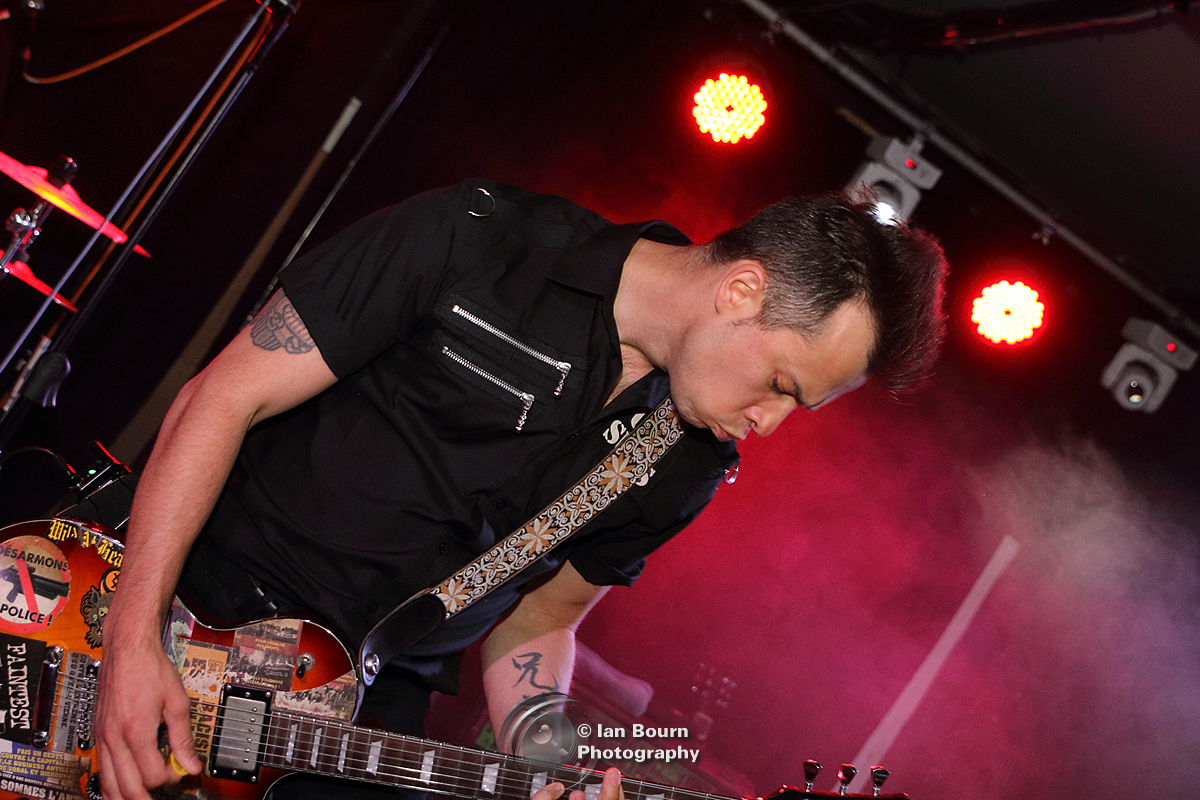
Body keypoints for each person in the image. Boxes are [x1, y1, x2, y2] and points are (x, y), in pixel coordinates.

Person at [93, 178, 947, 800]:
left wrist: (548, 763)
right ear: (742, 289)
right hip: (181, 607)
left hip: (360, 711)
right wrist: (132, 643)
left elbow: (540, 621)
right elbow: (221, 399)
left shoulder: (687, 460)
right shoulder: (479, 239)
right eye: (784, 385)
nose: (769, 423)